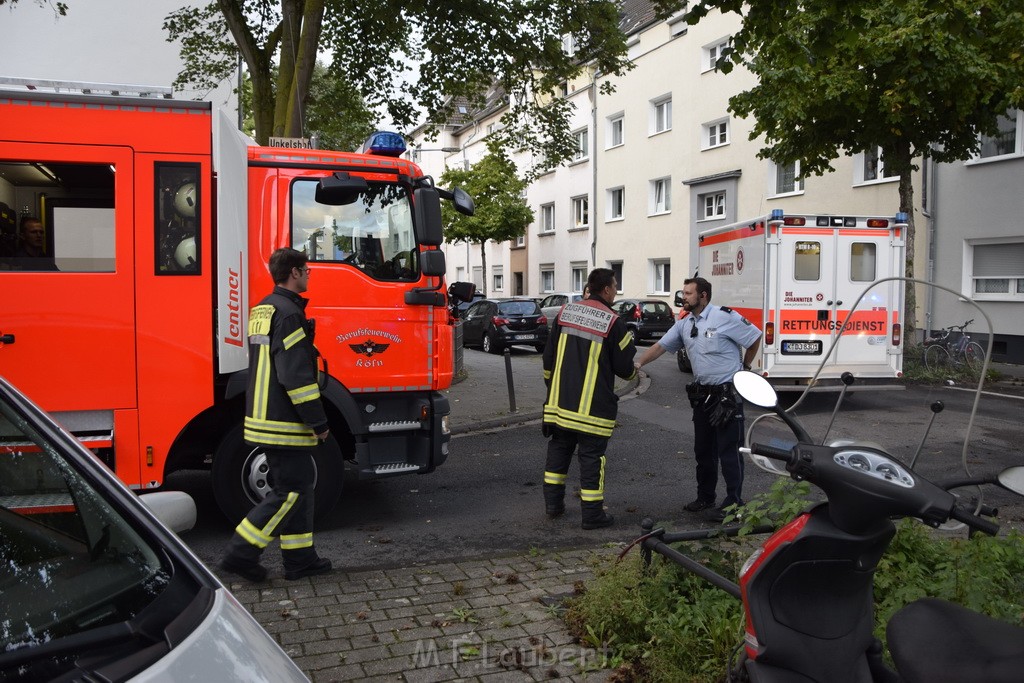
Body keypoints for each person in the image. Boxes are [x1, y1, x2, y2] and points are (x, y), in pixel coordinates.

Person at [219, 248, 333, 582]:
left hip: (263, 415)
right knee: (290, 493)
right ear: (295, 272)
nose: (309, 275)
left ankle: (300, 560)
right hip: (283, 421)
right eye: (307, 269)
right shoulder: (288, 314)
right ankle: (240, 554)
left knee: (299, 490)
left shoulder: (263, 309)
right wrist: (319, 421)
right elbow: (295, 376)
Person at [634, 277, 761, 523]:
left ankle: (734, 503)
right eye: (683, 293)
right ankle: (705, 497)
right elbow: (660, 346)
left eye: (689, 293)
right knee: (703, 451)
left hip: (727, 395)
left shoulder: (724, 317)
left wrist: (744, 367)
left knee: (729, 451)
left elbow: (754, 338)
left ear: (703, 295)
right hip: (703, 396)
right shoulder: (685, 323)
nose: (684, 297)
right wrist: (638, 363)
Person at [541, 268, 637, 529]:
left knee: (559, 451)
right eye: (615, 286)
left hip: (560, 405)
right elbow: (625, 368)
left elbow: (548, 357)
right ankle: (592, 515)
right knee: (592, 457)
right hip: (593, 408)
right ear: (606, 289)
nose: (616, 291)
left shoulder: (565, 312)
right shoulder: (613, 321)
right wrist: (632, 372)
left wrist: (552, 387)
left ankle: (553, 505)